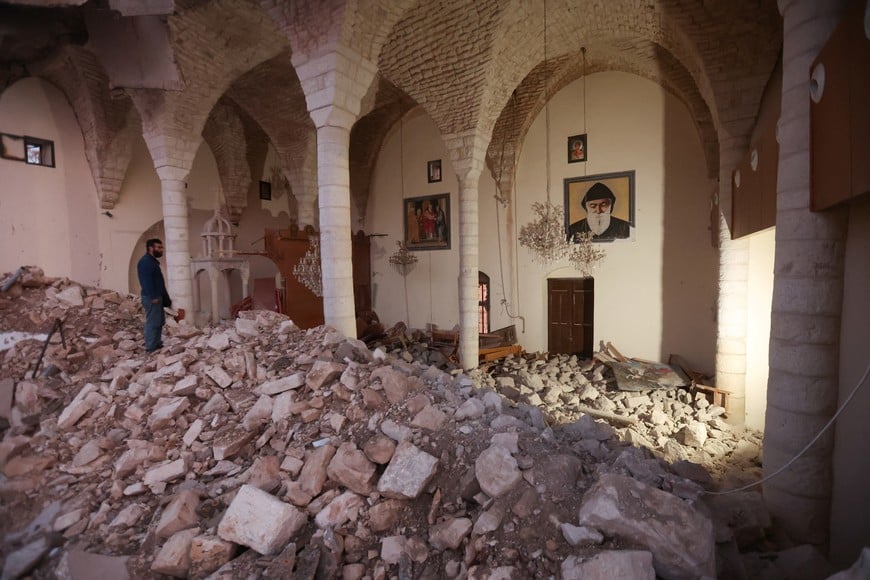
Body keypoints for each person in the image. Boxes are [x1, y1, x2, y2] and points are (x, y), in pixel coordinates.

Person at [137, 238, 172, 352]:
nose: (161, 250)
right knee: (153, 322)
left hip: (157, 296)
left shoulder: (152, 261)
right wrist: (153, 297)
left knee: (159, 321)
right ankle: (151, 347)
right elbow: (146, 281)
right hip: (152, 297)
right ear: (151, 248)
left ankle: (157, 343)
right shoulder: (145, 262)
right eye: (159, 247)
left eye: (161, 247)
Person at [566, 182, 630, 241]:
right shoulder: (573, 229)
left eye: (603, 205)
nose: (598, 211)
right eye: (593, 206)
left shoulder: (625, 227)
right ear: (586, 207)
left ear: (611, 206)